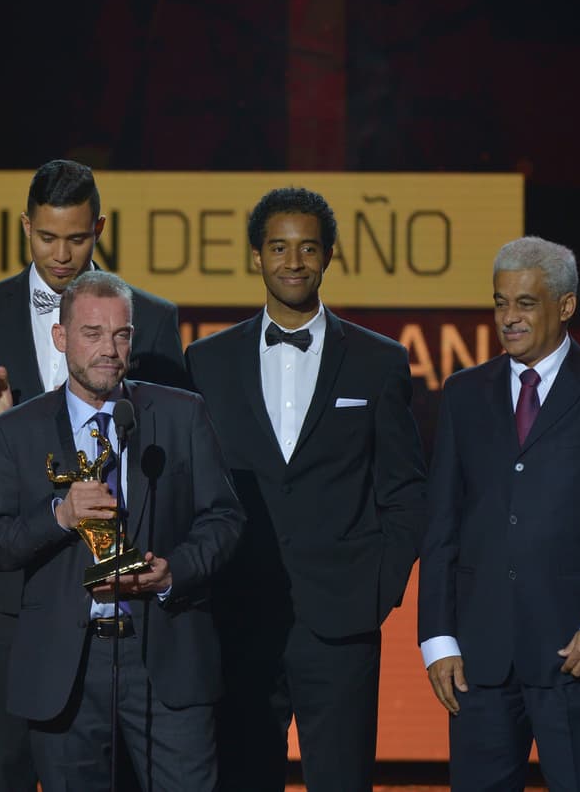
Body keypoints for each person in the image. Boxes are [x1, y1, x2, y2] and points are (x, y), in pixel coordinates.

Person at [0, 159, 186, 791]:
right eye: (47, 237)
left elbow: (177, 451)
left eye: (77, 238)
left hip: (116, 589)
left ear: (100, 228)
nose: (61, 254)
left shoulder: (153, 320)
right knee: (6, 766)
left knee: (116, 769)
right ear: (25, 226)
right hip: (12, 584)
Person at [185, 186, 429, 791]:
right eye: (278, 247)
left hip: (341, 623)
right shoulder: (205, 362)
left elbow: (405, 490)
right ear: (256, 256)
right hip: (238, 618)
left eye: (307, 248)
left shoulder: (379, 361)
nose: (293, 262)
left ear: (329, 256)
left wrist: (378, 590)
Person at [0, 270, 242, 792]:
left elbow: (225, 519)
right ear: (61, 338)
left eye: (121, 334)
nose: (109, 349)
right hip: (65, 668)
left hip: (165, 656)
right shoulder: (15, 432)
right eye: (93, 333)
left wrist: (171, 573)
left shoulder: (182, 415)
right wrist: (59, 517)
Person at [416, 235, 580, 791]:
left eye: (525, 304)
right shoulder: (463, 393)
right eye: (500, 302)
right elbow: (441, 525)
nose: (508, 318)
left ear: (565, 306)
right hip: (479, 663)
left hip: (578, 658)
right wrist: (437, 639)